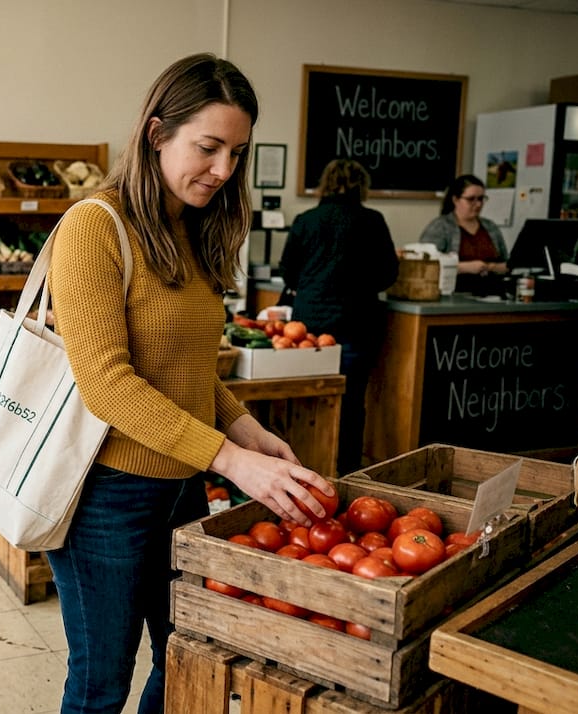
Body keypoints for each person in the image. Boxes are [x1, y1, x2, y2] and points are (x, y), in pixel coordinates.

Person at [46, 53, 334, 714]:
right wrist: (231, 460)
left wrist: (247, 430)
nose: (224, 170)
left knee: (186, 656)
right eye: (208, 148)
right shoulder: (94, 227)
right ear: (157, 134)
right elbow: (107, 384)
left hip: (180, 486)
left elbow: (188, 368)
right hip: (106, 496)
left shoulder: (192, 229)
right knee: (100, 682)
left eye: (237, 152)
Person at [280, 159, 399, 474]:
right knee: (351, 403)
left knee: (305, 401)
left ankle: (302, 468)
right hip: (356, 323)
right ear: (362, 186)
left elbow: (288, 273)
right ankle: (347, 472)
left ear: (325, 185)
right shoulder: (372, 220)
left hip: (309, 326)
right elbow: (388, 273)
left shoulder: (306, 220)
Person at [419, 174, 509, 294]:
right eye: (471, 199)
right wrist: (464, 267)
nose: (478, 204)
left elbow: (507, 263)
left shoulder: (490, 227)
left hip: (492, 293)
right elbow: (425, 264)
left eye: (481, 199)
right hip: (455, 293)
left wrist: (492, 267)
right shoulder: (440, 226)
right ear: (455, 200)